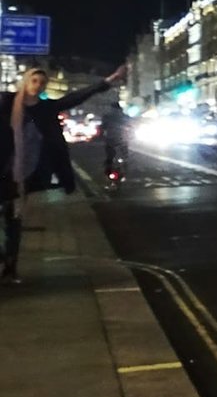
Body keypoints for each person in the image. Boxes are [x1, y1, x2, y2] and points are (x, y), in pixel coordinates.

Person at [1, 64, 127, 284]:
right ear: (25, 81)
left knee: (13, 220)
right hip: (4, 167)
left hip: (27, 172)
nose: (38, 86)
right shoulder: (6, 102)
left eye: (42, 83)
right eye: (34, 81)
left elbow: (76, 97)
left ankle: (10, 267)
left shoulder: (46, 108)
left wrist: (108, 81)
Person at [101, 103, 131, 176]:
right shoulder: (125, 116)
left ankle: (108, 169)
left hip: (111, 138)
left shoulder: (107, 116)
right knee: (125, 155)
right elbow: (130, 126)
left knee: (109, 156)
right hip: (123, 139)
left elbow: (103, 127)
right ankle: (125, 166)